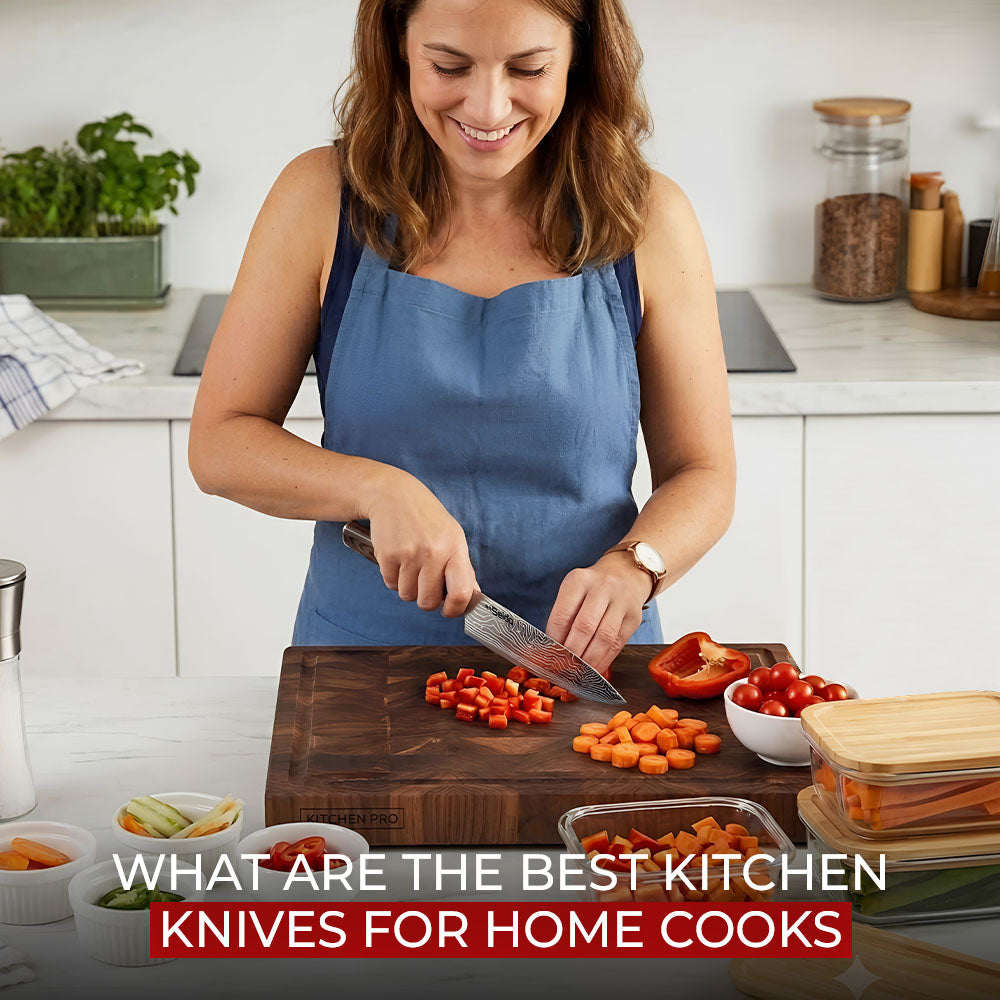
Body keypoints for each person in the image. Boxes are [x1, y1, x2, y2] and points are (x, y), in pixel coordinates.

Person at [189, 0, 736, 678]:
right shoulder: (318, 199)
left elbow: (704, 473)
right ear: (397, 50)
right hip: (363, 667)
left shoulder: (650, 216)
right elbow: (219, 443)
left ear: (582, 59)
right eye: (449, 66)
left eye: (528, 68)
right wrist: (377, 488)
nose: (487, 107)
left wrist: (637, 566)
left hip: (591, 665)